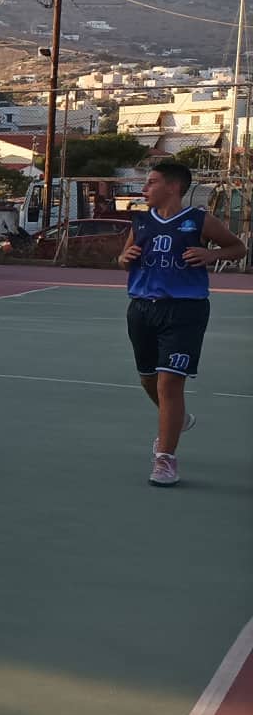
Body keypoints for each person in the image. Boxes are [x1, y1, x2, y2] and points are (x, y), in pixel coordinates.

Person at [117, 160, 244, 487]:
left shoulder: (199, 220)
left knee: (169, 384)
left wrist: (211, 255)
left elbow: (238, 247)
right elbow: (124, 258)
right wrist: (124, 259)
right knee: (148, 379)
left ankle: (165, 457)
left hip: (185, 311)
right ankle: (178, 419)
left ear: (173, 187)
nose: (144, 188)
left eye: (151, 182)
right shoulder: (141, 221)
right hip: (142, 309)